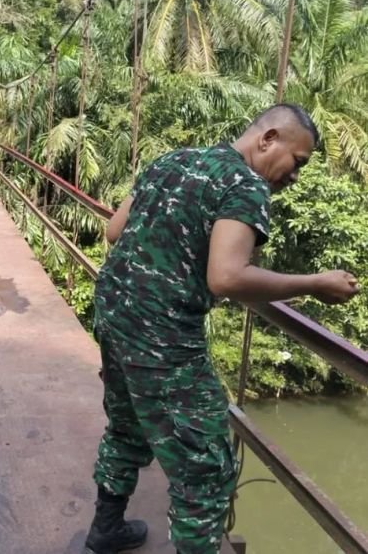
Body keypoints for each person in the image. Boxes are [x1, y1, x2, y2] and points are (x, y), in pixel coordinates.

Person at [84, 103, 360, 554]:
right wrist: (313, 284)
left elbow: (115, 232)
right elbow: (227, 278)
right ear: (268, 139)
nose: (295, 177)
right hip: (163, 338)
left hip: (115, 315)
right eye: (298, 162)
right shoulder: (245, 185)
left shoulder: (172, 159)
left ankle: (106, 528)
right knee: (206, 467)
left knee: (127, 426)